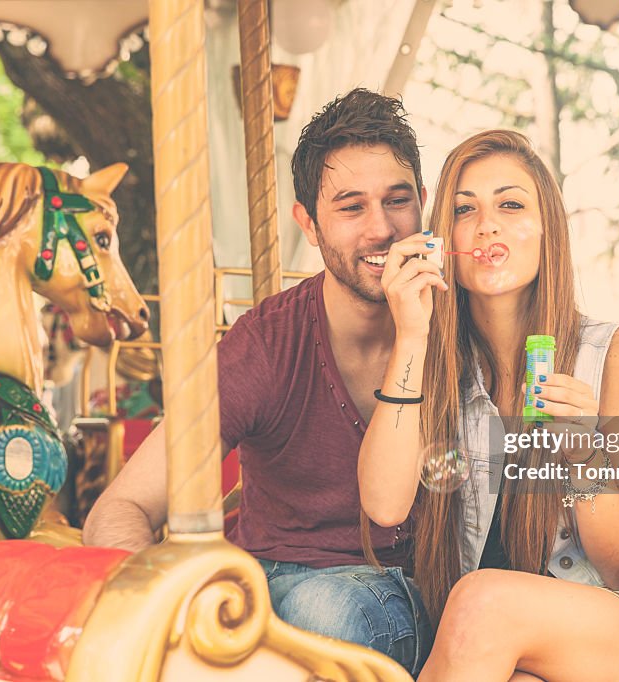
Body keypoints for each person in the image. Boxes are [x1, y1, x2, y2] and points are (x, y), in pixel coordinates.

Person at [84, 88, 432, 674]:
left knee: (334, 613)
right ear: (309, 223)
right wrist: (167, 615)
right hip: (266, 586)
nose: (381, 229)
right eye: (350, 208)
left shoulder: (453, 323)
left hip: (399, 590)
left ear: (422, 202)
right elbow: (118, 510)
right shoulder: (267, 343)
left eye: (397, 201)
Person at [358, 130, 619, 681]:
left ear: (547, 229)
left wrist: (581, 457)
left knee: (483, 599)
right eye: (465, 209)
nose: (487, 224)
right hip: (497, 648)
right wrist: (412, 336)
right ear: (444, 239)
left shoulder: (617, 357)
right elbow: (384, 506)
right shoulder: (433, 364)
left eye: (510, 204)